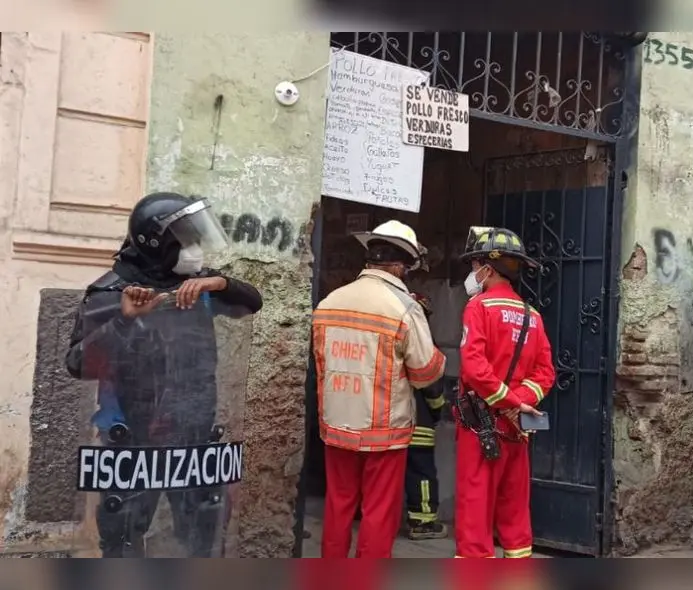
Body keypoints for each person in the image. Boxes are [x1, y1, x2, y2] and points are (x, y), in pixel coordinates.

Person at [65, 192, 263, 558]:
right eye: (185, 240)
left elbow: (251, 302)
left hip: (193, 438)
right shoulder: (111, 292)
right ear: (157, 245)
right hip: (132, 444)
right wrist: (125, 320)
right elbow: (78, 363)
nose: (194, 248)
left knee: (199, 541)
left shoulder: (197, 287)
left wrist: (220, 283)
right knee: (123, 542)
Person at [312, 220, 445, 558]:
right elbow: (425, 372)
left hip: (337, 424)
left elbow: (320, 363)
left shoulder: (329, 302)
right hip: (384, 433)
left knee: (338, 505)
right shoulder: (404, 308)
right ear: (401, 265)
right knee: (378, 511)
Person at [453, 226, 555, 559]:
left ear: (488, 268)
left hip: (480, 428)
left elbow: (474, 369)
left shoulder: (478, 307)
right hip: (517, 430)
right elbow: (545, 374)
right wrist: (520, 404)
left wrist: (508, 403)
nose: (473, 273)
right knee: (514, 513)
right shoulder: (533, 315)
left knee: (475, 512)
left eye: (475, 266)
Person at [404, 292, 449, 540]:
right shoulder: (425, 346)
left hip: (388, 421)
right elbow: (433, 388)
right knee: (421, 472)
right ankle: (422, 522)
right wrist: (436, 412)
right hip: (419, 421)